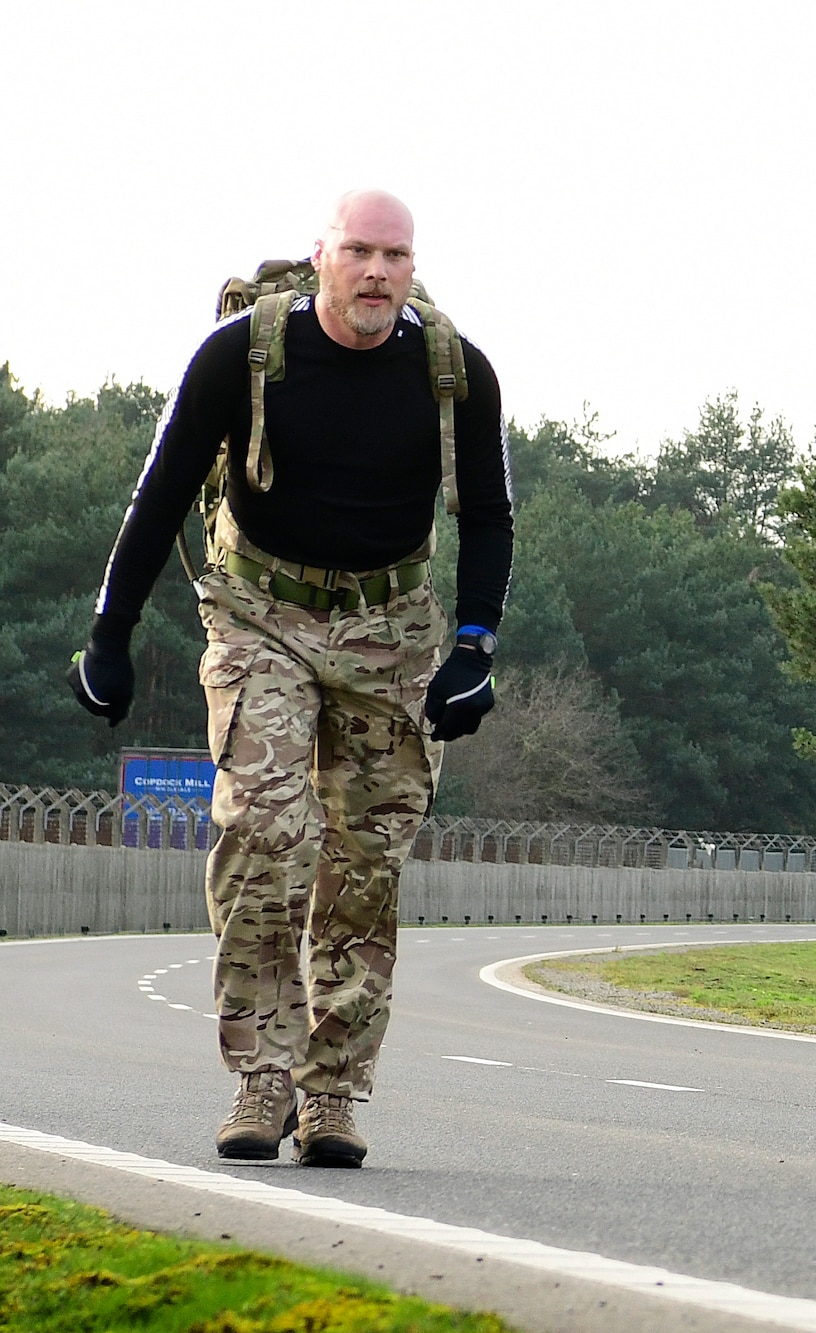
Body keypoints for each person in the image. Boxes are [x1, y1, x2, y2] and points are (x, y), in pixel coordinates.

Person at [66, 189, 513, 1167]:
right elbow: (163, 491)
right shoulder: (241, 356)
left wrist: (472, 649)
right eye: (359, 251)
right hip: (259, 611)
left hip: (389, 630)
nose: (377, 273)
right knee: (265, 825)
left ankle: (334, 1095)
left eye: (395, 256)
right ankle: (260, 1074)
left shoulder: (453, 371)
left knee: (364, 860)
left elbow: (488, 513)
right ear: (321, 257)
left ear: (412, 268)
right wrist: (110, 632)